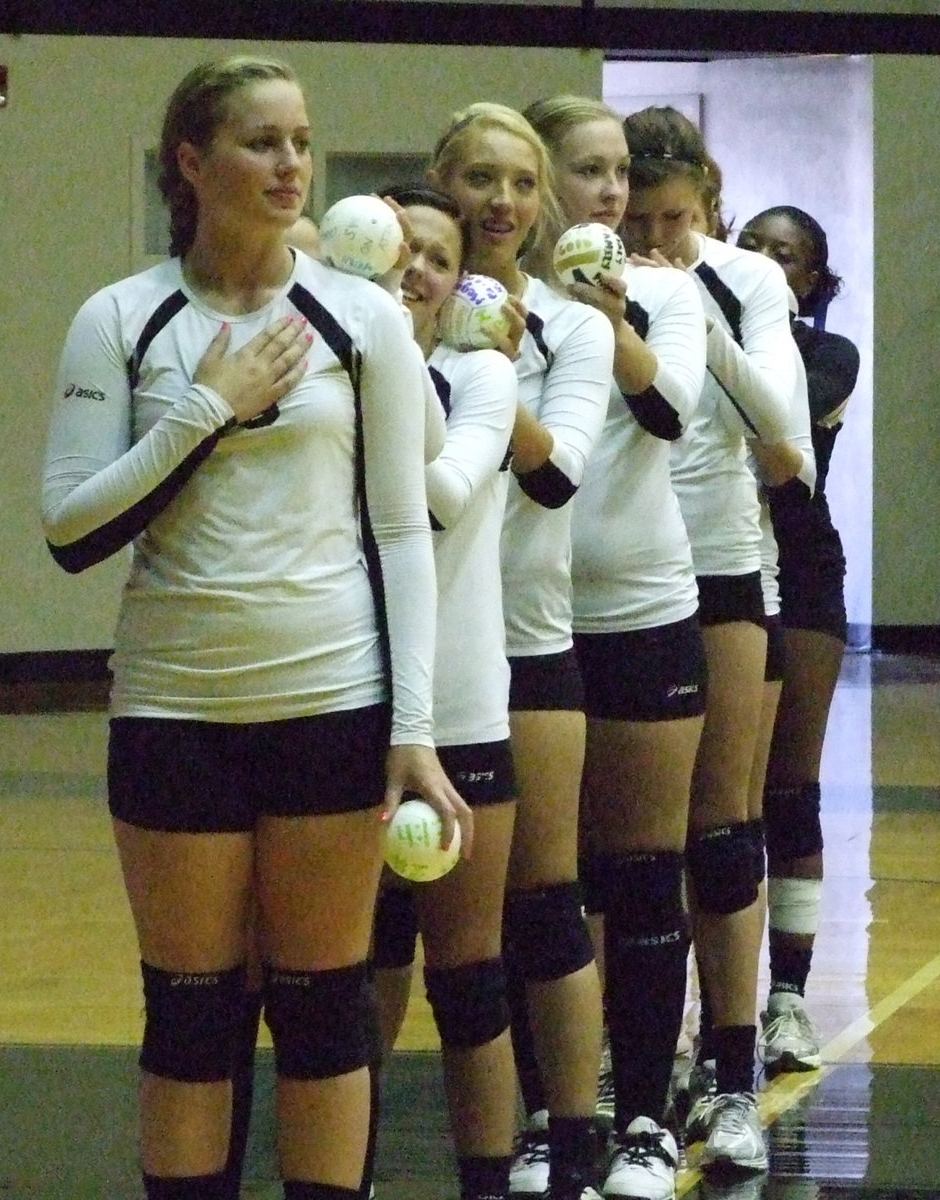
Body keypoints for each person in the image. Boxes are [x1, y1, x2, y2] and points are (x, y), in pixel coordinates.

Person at [40, 56, 471, 1200]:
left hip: (330, 700)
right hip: (174, 708)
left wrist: (412, 729)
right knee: (189, 1015)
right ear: (191, 161)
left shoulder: (360, 315)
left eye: (302, 141)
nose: (292, 165)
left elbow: (402, 528)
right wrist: (205, 408)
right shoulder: (121, 317)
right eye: (262, 142)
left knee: (325, 1010)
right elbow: (71, 528)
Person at [516, 96, 707, 1200]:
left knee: (642, 874)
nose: (611, 190)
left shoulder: (667, 292)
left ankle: (643, 1118)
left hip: (642, 609)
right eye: (587, 170)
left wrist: (616, 319)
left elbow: (671, 409)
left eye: (619, 171)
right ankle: (555, 1117)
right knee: (548, 887)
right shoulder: (502, 302)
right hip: (530, 624)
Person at [429, 101, 615, 1200]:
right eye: (479, 178)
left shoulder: (569, 328)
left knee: (546, 905)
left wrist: (491, 369)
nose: (501, 202)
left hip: (531, 645)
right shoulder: (395, 312)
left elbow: (556, 477)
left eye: (521, 183)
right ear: (441, 183)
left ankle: (573, 1140)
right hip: (408, 656)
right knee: (391, 933)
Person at [620, 105, 797, 1175]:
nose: (653, 238)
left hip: (722, 561)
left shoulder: (746, 279)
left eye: (675, 218)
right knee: (621, 852)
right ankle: (631, 1069)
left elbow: (784, 439)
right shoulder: (588, 282)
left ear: (709, 207)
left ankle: (734, 1079)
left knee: (723, 827)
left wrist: (694, 304)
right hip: (614, 576)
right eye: (636, 219)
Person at [367, 182, 520, 1200]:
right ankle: (348, 1174)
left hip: (458, 708)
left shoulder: (481, 376)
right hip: (345, 703)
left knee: (467, 978)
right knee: (346, 977)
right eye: (400, 252)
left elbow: (442, 498)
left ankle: (488, 1186)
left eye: (437, 258)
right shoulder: (327, 372)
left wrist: (391, 369)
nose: (415, 271)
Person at [736, 207, 860, 1075]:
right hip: (717, 570)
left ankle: (787, 1001)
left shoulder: (830, 354)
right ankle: (687, 1022)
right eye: (752, 246)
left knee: (790, 789)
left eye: (786, 255)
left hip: (804, 571)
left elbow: (775, 417)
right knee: (714, 806)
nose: (766, 261)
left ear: (810, 280)